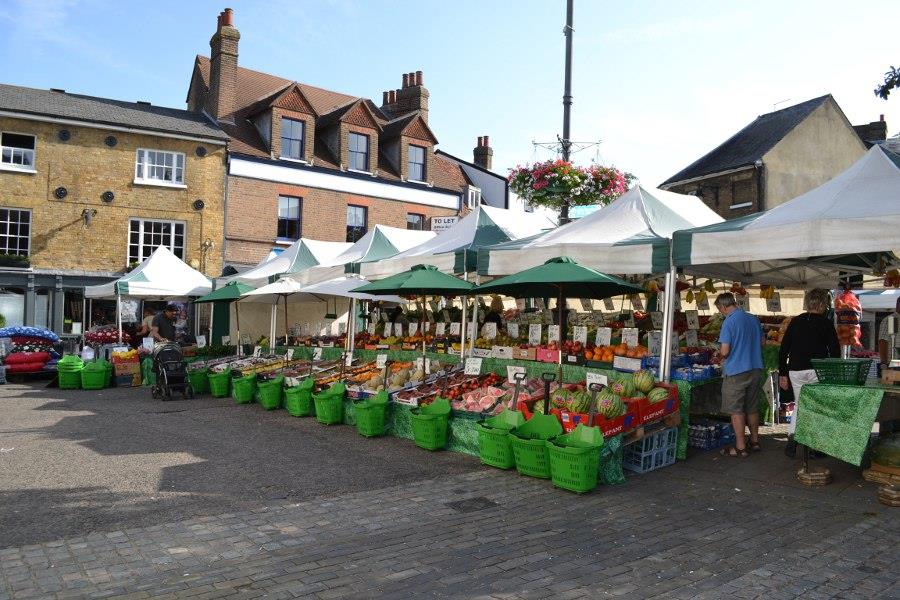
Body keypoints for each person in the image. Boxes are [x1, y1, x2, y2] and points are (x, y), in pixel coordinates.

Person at [779, 289, 840, 457]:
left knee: (800, 404)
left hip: (796, 370)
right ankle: (816, 447)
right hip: (816, 370)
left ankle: (792, 437)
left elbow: (784, 349)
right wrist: (833, 372)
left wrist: (782, 373)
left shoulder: (796, 321)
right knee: (817, 406)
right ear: (822, 304)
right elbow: (835, 350)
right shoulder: (826, 323)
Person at [716, 292, 765, 458]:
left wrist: (719, 356)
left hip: (736, 371)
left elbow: (725, 350)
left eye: (720, 309)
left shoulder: (729, 321)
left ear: (723, 306)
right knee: (751, 407)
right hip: (755, 367)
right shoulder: (753, 318)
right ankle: (755, 441)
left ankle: (740, 447)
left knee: (736, 410)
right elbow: (762, 343)